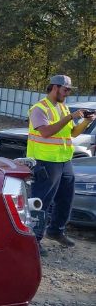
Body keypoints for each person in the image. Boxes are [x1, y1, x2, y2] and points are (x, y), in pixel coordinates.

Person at [27, 75, 96, 255]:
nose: (68, 93)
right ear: (55, 87)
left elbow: (72, 134)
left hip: (64, 161)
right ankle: (33, 239)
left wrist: (86, 122)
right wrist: (69, 117)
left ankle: (56, 231)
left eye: (70, 90)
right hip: (45, 161)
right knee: (41, 201)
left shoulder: (63, 107)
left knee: (66, 198)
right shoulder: (38, 109)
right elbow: (46, 133)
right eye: (66, 90)